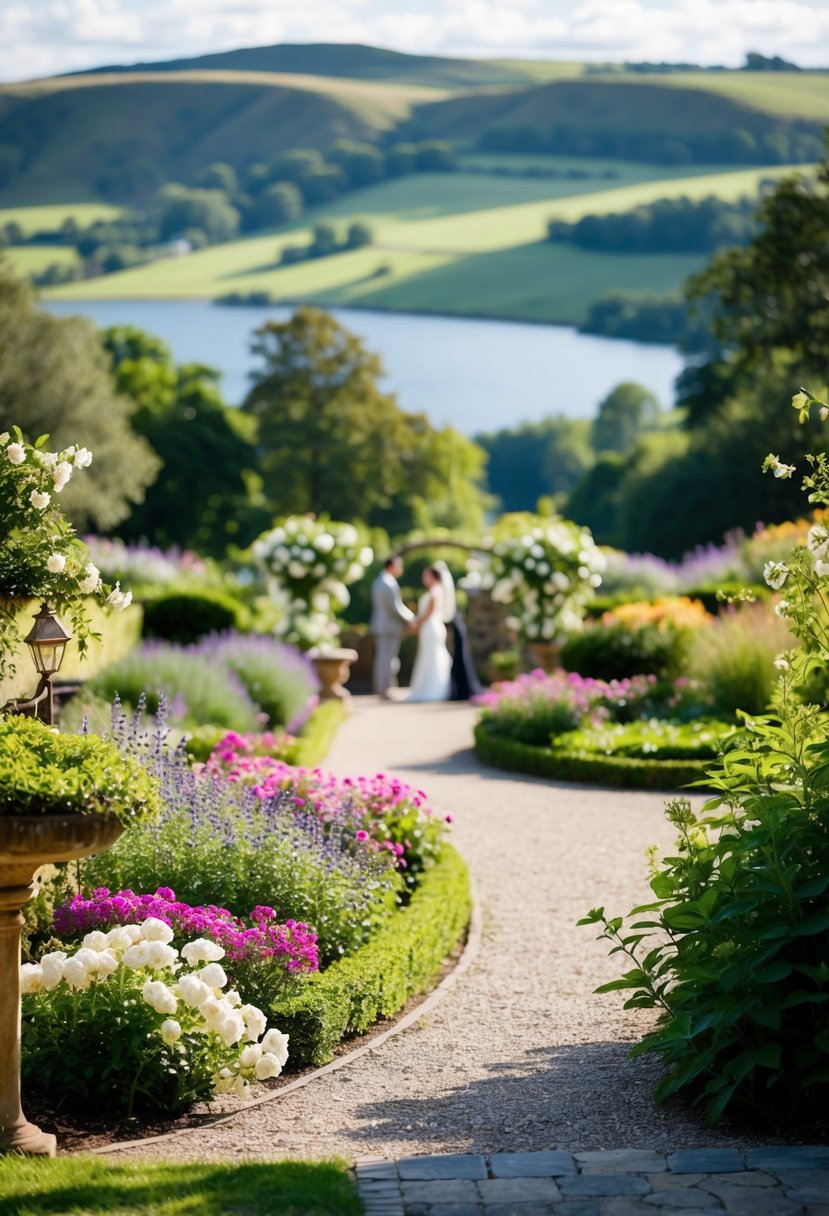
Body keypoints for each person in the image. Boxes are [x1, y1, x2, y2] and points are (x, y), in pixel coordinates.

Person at [406, 564, 453, 703]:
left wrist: (416, 624)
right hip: (432, 627)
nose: (423, 578)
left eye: (426, 575)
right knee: (430, 656)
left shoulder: (435, 591)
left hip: (431, 627)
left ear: (433, 576)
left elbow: (429, 613)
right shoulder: (437, 590)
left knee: (432, 656)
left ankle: (433, 689)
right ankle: (431, 687)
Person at [370, 555, 414, 699]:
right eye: (398, 565)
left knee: (384, 658)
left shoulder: (379, 581)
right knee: (387, 658)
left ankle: (383, 687)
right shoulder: (388, 583)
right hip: (389, 627)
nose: (400, 569)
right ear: (391, 566)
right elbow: (395, 607)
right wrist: (411, 618)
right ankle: (384, 688)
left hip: (382, 626)